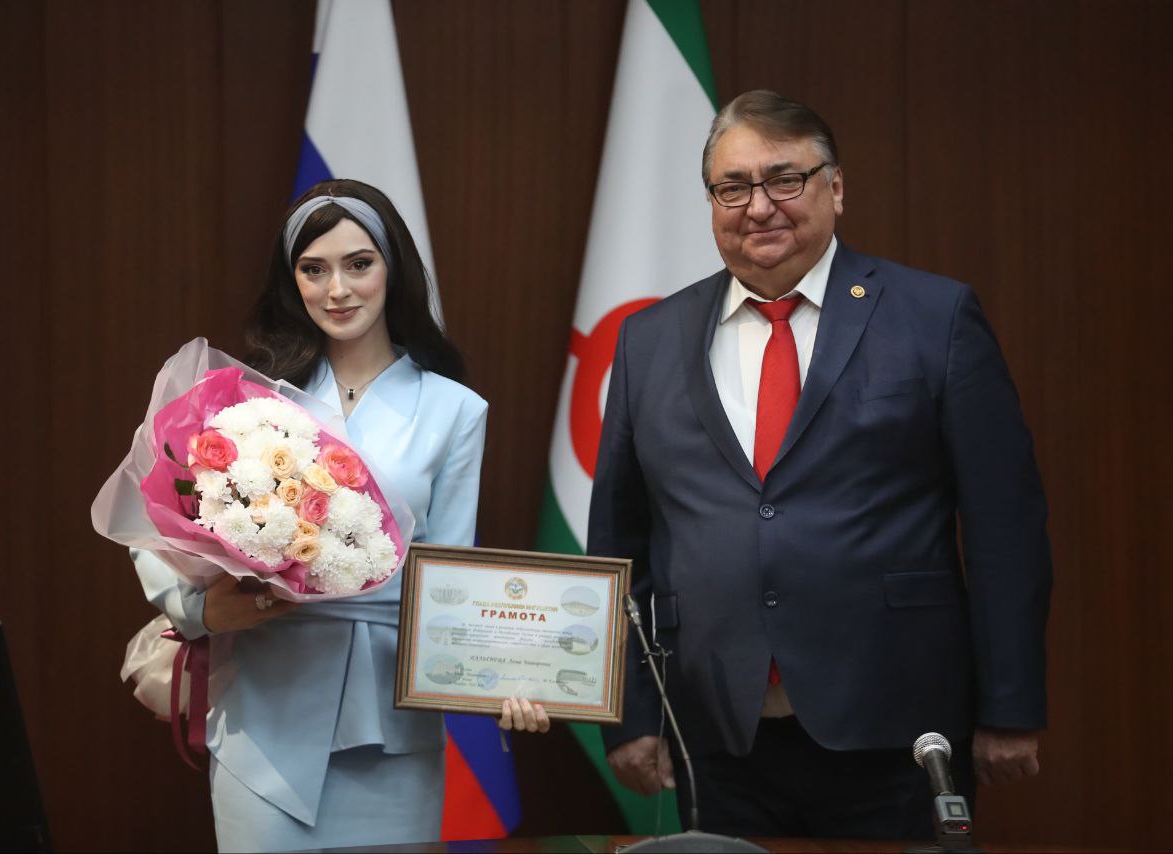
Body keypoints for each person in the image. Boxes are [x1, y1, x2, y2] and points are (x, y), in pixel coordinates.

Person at [589, 90, 1051, 840]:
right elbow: (621, 542)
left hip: (896, 723)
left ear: (835, 188)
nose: (758, 206)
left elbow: (1006, 528)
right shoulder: (650, 338)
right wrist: (630, 714)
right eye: (733, 187)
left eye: (784, 179)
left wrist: (1010, 705)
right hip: (713, 727)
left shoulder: (934, 318)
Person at [132, 179, 549, 852]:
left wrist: (500, 676)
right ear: (291, 280)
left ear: (394, 268)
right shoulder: (245, 399)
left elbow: (451, 577)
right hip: (262, 710)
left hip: (393, 722)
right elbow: (161, 518)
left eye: (359, 264)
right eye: (313, 269)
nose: (337, 289)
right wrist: (203, 611)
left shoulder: (455, 409)